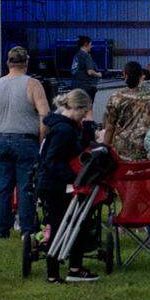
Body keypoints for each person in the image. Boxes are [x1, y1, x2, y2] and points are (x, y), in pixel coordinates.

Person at [0, 46, 50, 238]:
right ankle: (27, 230)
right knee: (26, 187)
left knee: (3, 187)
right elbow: (45, 114)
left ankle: (1, 231)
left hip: (2, 140)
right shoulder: (33, 84)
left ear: (7, 63)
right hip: (26, 140)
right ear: (26, 62)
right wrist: (40, 137)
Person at [37, 89, 100, 283]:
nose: (85, 116)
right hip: (56, 185)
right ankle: (55, 272)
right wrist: (74, 177)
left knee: (72, 224)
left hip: (55, 182)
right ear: (77, 108)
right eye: (84, 112)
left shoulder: (61, 126)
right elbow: (52, 160)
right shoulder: (64, 130)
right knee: (60, 226)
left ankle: (72, 268)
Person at [102, 61, 150, 161]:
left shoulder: (116, 97)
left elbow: (110, 127)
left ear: (124, 75)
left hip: (121, 151)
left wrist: (105, 148)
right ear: (141, 76)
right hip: (146, 150)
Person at [70, 36, 102, 102]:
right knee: (87, 108)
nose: (91, 46)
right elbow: (90, 72)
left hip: (75, 86)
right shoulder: (86, 55)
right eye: (90, 44)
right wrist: (98, 74)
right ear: (85, 44)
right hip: (86, 87)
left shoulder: (77, 55)